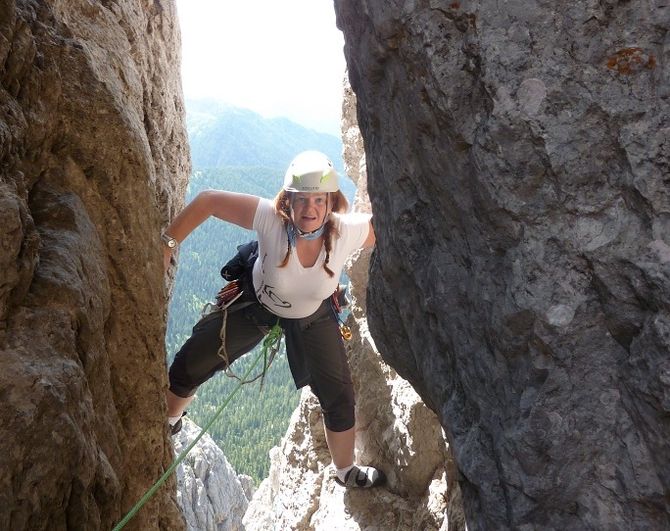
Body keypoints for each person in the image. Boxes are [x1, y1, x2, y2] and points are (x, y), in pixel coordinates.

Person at [162, 150, 386, 488]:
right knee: (193, 360)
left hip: (313, 315)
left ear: (330, 203)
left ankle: (345, 471)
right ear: (288, 202)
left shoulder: (346, 231)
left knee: (337, 393)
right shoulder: (270, 217)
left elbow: (394, 228)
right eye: (301, 200)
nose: (309, 209)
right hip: (256, 304)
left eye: (318, 200)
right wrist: (168, 242)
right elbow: (208, 201)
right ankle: (170, 419)